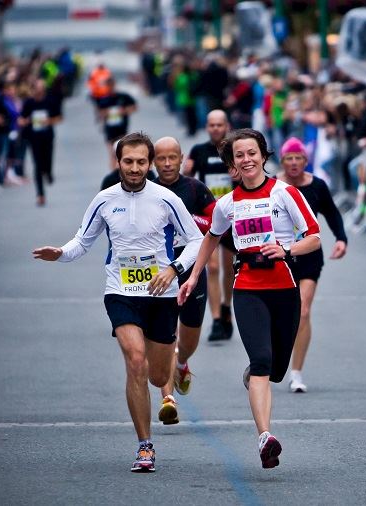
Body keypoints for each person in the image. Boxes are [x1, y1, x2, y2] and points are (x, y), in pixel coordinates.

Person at [32, 132, 203, 473]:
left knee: (156, 376)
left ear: (150, 163)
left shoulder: (166, 199)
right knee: (135, 361)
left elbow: (197, 241)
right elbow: (83, 241)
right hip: (121, 292)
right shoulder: (104, 199)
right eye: (129, 161)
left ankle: (171, 372)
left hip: (161, 294)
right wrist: (61, 253)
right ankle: (144, 446)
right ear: (118, 162)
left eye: (142, 162)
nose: (135, 168)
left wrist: (173, 269)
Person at [178, 129, 321, 469]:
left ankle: (259, 373)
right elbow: (210, 238)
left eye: (252, 153)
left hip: (285, 288)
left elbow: (314, 237)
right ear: (233, 165)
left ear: (263, 156)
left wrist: (286, 250)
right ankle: (264, 438)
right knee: (261, 362)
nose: (247, 159)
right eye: (239, 155)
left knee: (275, 369)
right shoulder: (227, 203)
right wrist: (195, 275)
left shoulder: (285, 193)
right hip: (247, 288)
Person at [151, 136, 217, 424]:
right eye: (161, 158)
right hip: (158, 274)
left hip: (191, 271)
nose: (166, 164)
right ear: (154, 161)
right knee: (165, 334)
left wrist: (188, 220)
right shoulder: (145, 190)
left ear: (181, 159)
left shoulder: (195, 188)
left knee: (188, 339)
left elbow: (218, 224)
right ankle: (168, 399)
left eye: (172, 158)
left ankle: (181, 362)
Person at [276, 138, 347, 393]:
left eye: (298, 158)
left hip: (308, 255)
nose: (294, 163)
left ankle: (296, 373)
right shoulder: (273, 186)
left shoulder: (316, 185)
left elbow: (332, 212)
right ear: (282, 161)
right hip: (279, 256)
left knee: (303, 311)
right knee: (280, 313)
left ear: (306, 161)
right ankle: (269, 360)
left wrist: (341, 238)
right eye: (289, 158)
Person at [185, 110, 235, 341]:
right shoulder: (199, 151)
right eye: (211, 125)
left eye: (219, 125)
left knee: (230, 268)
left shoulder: (235, 149)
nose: (215, 129)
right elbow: (187, 178)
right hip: (210, 217)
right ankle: (216, 319)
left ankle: (226, 307)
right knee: (212, 268)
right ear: (207, 127)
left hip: (233, 216)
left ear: (227, 126)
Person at [18, 79, 62, 206]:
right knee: (37, 164)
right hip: (33, 138)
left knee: (47, 160)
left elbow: (59, 117)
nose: (39, 92)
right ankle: (40, 194)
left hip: (47, 136)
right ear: (33, 90)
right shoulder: (28, 103)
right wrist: (24, 121)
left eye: (41, 89)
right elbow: (21, 119)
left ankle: (48, 172)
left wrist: (49, 121)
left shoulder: (50, 101)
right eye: (37, 89)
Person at [96, 76, 137, 169]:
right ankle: (114, 175)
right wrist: (107, 113)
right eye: (108, 85)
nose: (110, 87)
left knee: (122, 153)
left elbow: (134, 107)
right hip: (110, 129)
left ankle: (121, 172)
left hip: (122, 129)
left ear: (114, 85)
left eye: (112, 85)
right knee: (112, 153)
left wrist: (124, 111)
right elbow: (100, 113)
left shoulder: (123, 97)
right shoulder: (104, 99)